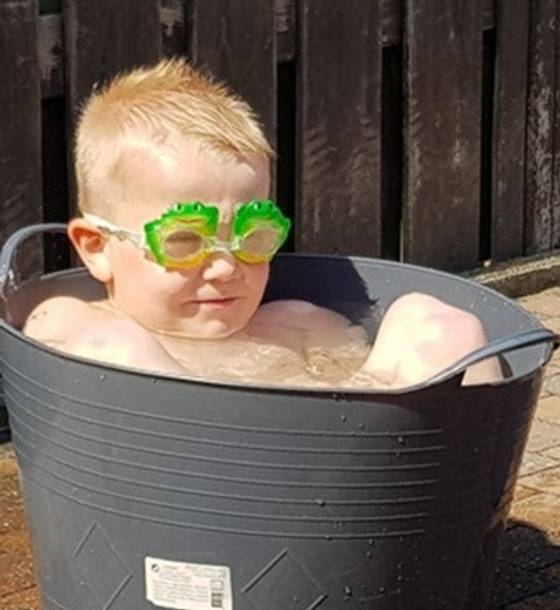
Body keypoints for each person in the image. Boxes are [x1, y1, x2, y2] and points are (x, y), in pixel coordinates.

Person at [23, 58, 499, 387]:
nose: (226, 267)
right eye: (186, 240)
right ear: (97, 247)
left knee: (434, 321)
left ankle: (457, 515)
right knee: (118, 348)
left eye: (252, 237)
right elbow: (53, 330)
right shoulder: (80, 324)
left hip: (356, 490)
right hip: (192, 511)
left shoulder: (298, 327)